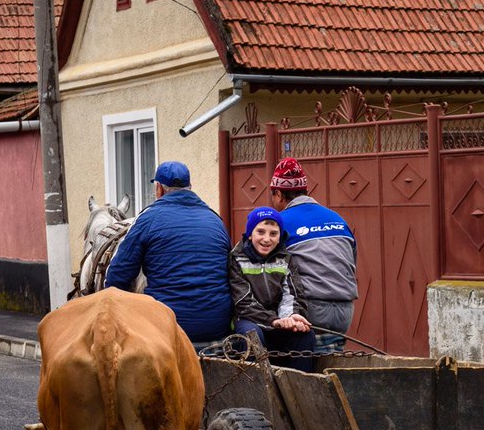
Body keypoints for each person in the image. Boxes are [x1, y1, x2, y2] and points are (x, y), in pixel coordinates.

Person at [105, 161, 232, 347]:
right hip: (217, 326)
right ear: (190, 187)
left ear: (159, 189)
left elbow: (119, 274)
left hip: (166, 327)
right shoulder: (215, 220)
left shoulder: (148, 219)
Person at [268, 157, 358, 353]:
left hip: (310, 312)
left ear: (278, 194)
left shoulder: (277, 224)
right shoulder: (338, 220)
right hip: (345, 312)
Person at [228, 206, 316, 372]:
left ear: (279, 236)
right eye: (260, 232)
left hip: (278, 320)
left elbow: (293, 294)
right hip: (249, 320)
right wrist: (273, 320)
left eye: (273, 233)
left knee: (305, 335)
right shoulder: (236, 258)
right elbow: (243, 302)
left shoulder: (285, 259)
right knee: (251, 335)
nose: (266, 239)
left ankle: (301, 387)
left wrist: (290, 316)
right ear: (250, 233)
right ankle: (258, 387)